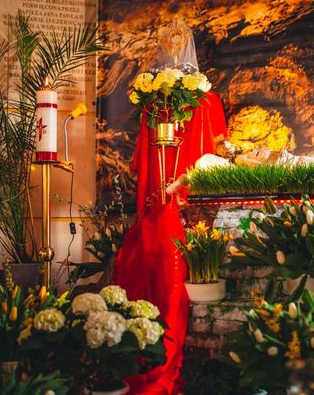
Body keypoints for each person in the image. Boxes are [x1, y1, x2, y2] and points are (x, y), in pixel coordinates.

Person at [113, 20, 227, 394]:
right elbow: (214, 153)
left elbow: (146, 161)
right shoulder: (185, 100)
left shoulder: (170, 101)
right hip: (176, 206)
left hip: (169, 205)